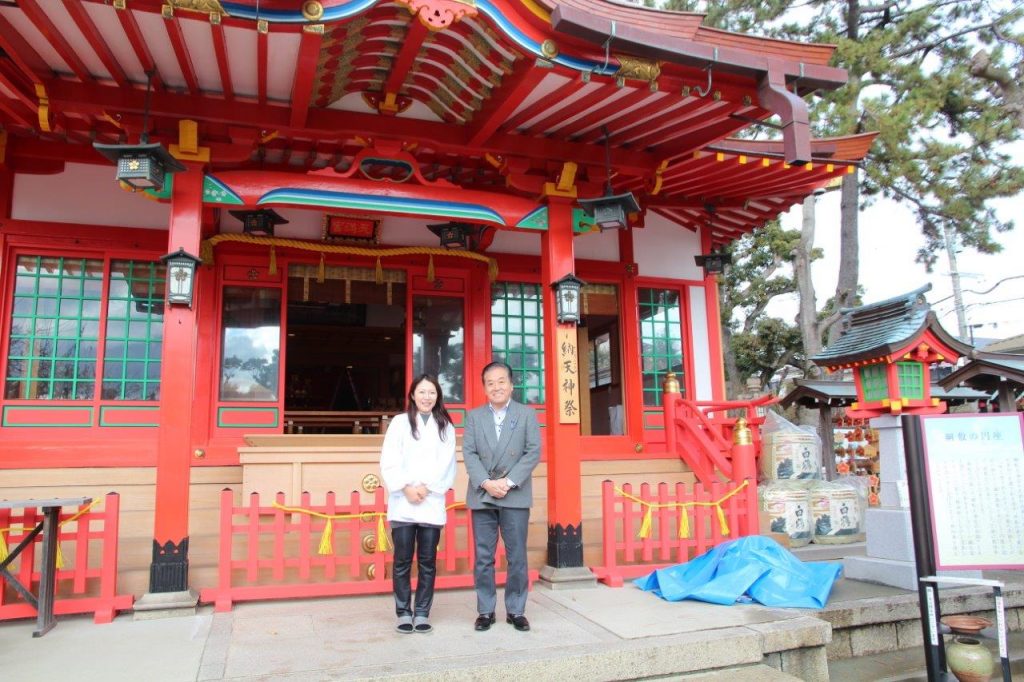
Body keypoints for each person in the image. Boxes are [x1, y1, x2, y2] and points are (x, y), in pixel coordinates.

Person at [462, 361, 541, 632]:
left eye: (501, 381)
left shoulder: (526, 414)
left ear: (511, 384)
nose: (496, 387)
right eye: (490, 382)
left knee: (516, 554)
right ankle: (485, 610)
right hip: (482, 493)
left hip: (514, 493)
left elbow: (532, 452)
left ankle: (516, 610)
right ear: (484, 387)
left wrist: (506, 482)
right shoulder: (473, 417)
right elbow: (469, 453)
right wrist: (486, 482)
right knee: (484, 556)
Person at [380, 374, 457, 634]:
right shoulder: (400, 423)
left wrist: (427, 487)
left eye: (432, 393)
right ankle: (403, 611)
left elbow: (447, 463)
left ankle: (422, 611)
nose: (427, 397)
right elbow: (389, 458)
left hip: (431, 500)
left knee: (427, 560)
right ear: (413, 395)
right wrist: (406, 487)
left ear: (438, 396)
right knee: (402, 560)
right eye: (422, 392)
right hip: (404, 500)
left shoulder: (445, 424)